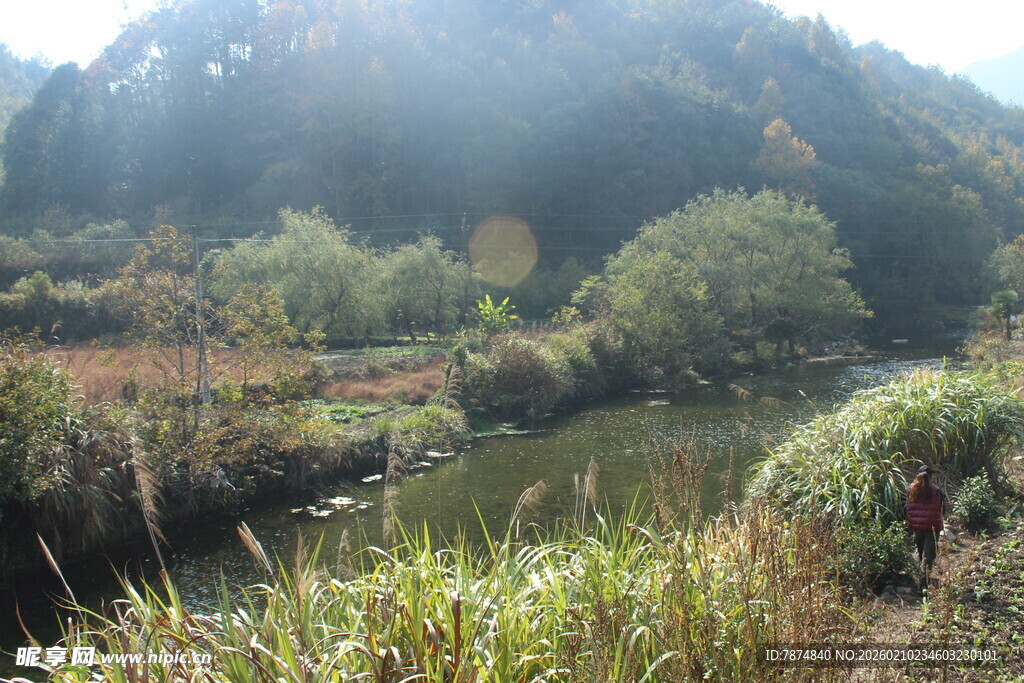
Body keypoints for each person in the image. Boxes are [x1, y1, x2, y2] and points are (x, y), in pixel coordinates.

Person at [906, 465, 946, 593]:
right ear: (931, 476)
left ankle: (921, 576)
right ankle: (923, 584)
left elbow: (906, 507)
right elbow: (942, 508)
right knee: (929, 555)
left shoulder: (911, 489)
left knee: (920, 551)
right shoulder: (936, 490)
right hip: (931, 527)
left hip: (916, 527)